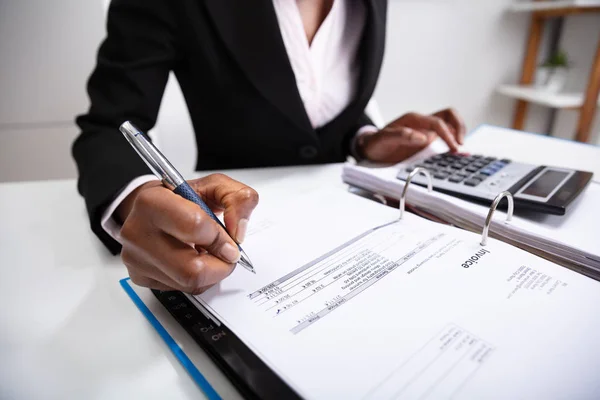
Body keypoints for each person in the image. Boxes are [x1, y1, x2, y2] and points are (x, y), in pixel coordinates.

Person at [73, 0, 465, 294]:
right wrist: (137, 197)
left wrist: (365, 140)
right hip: (227, 227)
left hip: (354, 220)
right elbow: (109, 125)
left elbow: (317, 105)